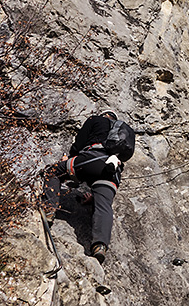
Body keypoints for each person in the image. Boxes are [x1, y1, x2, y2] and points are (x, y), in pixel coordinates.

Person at [41, 110, 134, 264]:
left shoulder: (95, 120)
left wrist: (69, 159)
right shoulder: (123, 137)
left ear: (104, 115)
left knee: (52, 172)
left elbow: (79, 144)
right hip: (112, 171)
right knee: (104, 205)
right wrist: (95, 196)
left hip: (90, 160)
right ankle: (99, 246)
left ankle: (49, 209)